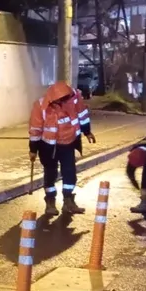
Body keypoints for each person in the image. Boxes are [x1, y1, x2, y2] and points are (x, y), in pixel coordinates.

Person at [29, 83, 97, 217]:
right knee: (50, 173)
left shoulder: (74, 100)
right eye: (61, 99)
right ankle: (50, 201)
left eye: (66, 98)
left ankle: (68, 201)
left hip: (68, 143)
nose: (64, 101)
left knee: (70, 172)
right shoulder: (41, 106)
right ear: (53, 98)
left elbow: (82, 116)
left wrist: (87, 132)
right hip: (48, 147)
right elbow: (35, 129)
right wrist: (33, 149)